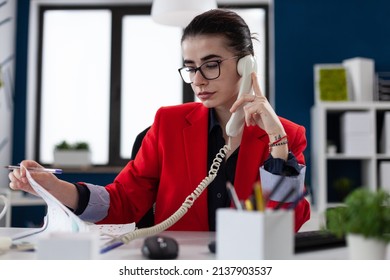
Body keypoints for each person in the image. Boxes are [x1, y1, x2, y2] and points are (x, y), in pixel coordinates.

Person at [9, 9, 310, 232]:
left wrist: (277, 143)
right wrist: (54, 187)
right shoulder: (168, 124)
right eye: (191, 68)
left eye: (212, 65)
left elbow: (287, 224)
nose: (198, 80)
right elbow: (123, 201)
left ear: (247, 66)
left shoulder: (287, 135)